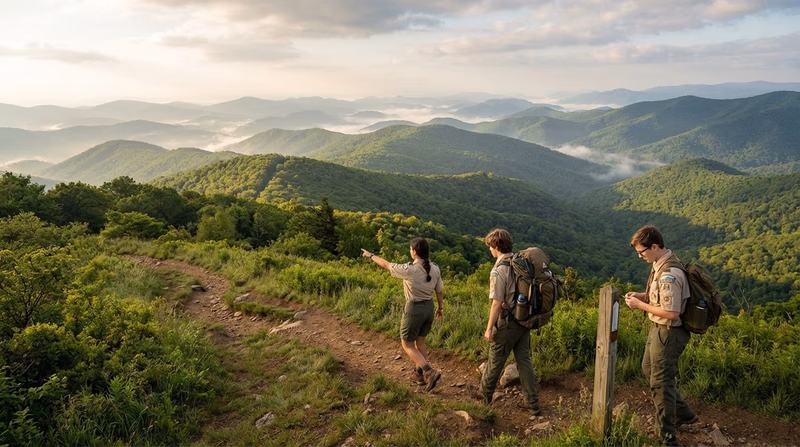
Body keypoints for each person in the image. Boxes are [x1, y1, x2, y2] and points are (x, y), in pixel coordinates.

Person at [624, 225, 698, 446]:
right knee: (649, 369)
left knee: (660, 383)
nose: (640, 256)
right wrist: (642, 295)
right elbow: (662, 297)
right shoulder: (662, 262)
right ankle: (684, 413)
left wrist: (639, 305)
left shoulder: (669, 273)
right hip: (659, 330)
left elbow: (672, 312)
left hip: (669, 332)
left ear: (654, 246)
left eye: (642, 252)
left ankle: (666, 436)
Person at [471, 229, 541, 415]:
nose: (489, 251)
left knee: (496, 358)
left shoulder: (499, 269)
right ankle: (532, 404)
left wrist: (488, 329)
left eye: (490, 247)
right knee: (524, 360)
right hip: (524, 318)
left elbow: (497, 303)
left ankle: (484, 397)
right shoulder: (521, 263)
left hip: (508, 320)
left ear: (496, 246)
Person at [361, 237, 444, 391]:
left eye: (410, 249)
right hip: (429, 308)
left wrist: (370, 255)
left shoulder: (409, 269)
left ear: (414, 252)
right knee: (421, 343)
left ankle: (428, 371)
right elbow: (439, 291)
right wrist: (441, 308)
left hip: (414, 309)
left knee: (407, 344)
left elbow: (386, 264)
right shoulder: (436, 268)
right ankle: (419, 375)